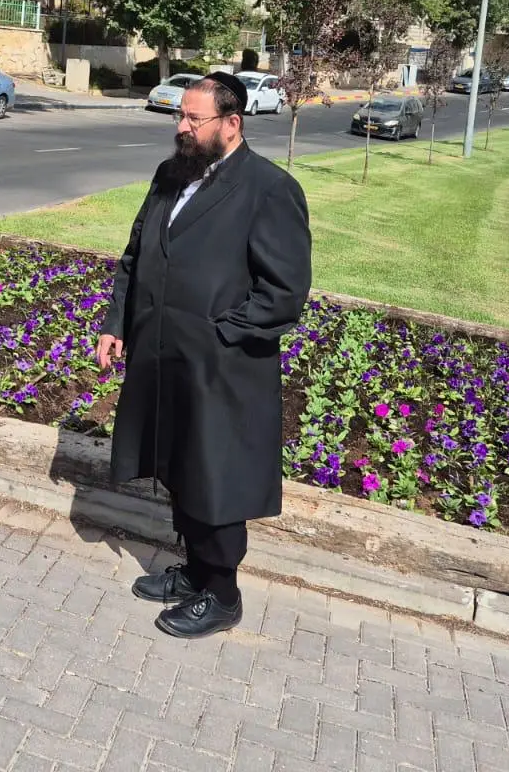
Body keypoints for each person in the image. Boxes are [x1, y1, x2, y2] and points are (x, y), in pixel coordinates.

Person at [96, 71, 312, 640]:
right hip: (163, 358)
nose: (183, 128)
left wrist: (220, 334)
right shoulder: (172, 174)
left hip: (222, 368)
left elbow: (284, 292)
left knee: (214, 478)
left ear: (232, 124)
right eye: (180, 116)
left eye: (195, 119)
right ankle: (194, 572)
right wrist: (117, 323)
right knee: (179, 468)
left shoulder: (269, 189)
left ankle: (222, 593)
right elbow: (135, 254)